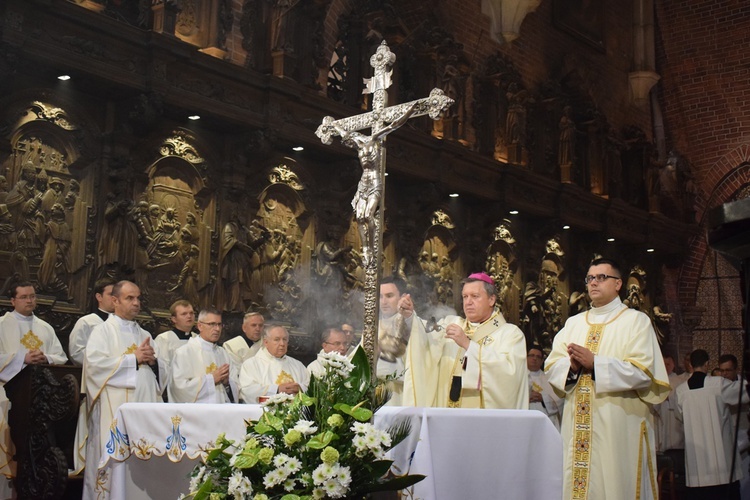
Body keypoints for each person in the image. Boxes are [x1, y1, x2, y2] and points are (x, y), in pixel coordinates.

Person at [545, 258, 670, 500]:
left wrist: (596, 364)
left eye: (601, 277)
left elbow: (643, 372)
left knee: (615, 484)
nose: (593, 283)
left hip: (618, 424)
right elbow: (551, 366)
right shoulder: (573, 323)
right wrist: (570, 367)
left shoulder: (636, 321)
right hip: (577, 425)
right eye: (590, 278)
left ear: (618, 284)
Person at [83, 280, 164, 499]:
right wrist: (133, 359)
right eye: (130, 298)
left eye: (138, 298)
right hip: (114, 410)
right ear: (115, 301)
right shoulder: (102, 332)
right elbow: (94, 367)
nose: (136, 303)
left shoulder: (144, 333)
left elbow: (161, 376)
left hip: (145, 407)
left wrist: (154, 363)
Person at [403, 272, 528, 409]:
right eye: (465, 297)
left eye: (475, 296)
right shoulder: (451, 324)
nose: (468, 302)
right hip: (447, 415)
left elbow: (510, 376)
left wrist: (468, 345)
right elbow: (426, 339)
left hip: (484, 421)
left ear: (492, 300)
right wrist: (410, 317)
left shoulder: (510, 334)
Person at [0, 282, 68, 496]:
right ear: (13, 301)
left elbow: (62, 357)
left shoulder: (45, 327)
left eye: (32, 296)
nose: (29, 300)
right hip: (7, 395)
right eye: (24, 297)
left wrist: (45, 357)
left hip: (40, 400)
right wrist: (23, 358)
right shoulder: (1, 324)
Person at [330, 103, 416, 266]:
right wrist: (333, 124)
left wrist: (410, 110)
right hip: (363, 183)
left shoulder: (374, 139)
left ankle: (372, 249)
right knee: (360, 217)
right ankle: (366, 250)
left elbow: (394, 125)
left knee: (368, 215)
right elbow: (343, 133)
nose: (347, 143)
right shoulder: (357, 145)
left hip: (375, 181)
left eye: (348, 141)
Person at [676, 349, 749, 500]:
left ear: (690, 364)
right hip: (721, 464)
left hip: (697, 467)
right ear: (707, 364)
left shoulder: (680, 391)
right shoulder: (719, 384)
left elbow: (680, 416)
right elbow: (744, 391)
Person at [68, 278, 117, 476]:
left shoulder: (126, 327)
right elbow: (77, 352)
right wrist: (109, 364)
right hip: (96, 384)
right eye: (110, 295)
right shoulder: (87, 322)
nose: (115, 299)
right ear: (98, 297)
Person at [374, 276, 426, 405]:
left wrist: (407, 315)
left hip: (399, 393)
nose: (384, 301)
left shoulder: (411, 321)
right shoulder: (373, 326)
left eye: (389, 296)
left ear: (402, 297)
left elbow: (415, 338)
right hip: (373, 392)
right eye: (380, 296)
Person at [168, 308, 238, 404]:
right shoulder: (184, 352)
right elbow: (179, 388)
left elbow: (235, 387)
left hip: (222, 413)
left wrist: (227, 383)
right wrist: (211, 379)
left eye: (219, 324)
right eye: (212, 324)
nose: (217, 329)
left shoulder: (223, 353)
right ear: (200, 326)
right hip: (197, 415)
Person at [239, 325, 309, 404]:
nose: (282, 343)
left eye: (284, 339)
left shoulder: (297, 365)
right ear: (266, 342)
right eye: (277, 340)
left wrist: (300, 388)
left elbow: (310, 386)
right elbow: (247, 390)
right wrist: (276, 389)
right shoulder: (251, 364)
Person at [154, 299, 196, 398]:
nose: (189, 316)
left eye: (191, 313)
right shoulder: (164, 339)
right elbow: (162, 368)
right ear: (174, 319)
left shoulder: (198, 339)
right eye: (184, 314)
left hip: (196, 389)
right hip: (173, 391)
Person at [527, 346, 563, 430]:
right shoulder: (518, 377)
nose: (534, 358)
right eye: (532, 355)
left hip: (546, 422)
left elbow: (560, 401)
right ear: (526, 358)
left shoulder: (550, 379)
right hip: (524, 420)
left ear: (542, 361)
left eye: (538, 357)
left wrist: (543, 398)